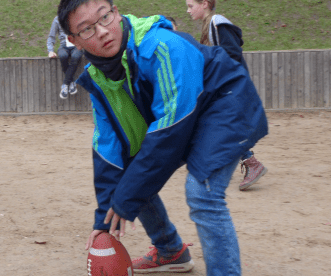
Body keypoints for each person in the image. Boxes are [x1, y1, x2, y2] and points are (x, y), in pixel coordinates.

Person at [57, 0, 268, 275]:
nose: (102, 32)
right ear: (75, 41)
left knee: (201, 193)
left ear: (117, 12)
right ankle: (171, 251)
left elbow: (172, 127)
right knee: (129, 178)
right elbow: (108, 147)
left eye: (105, 18)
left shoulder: (161, 45)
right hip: (183, 114)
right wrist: (105, 215)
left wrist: (127, 198)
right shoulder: (97, 78)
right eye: (87, 29)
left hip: (223, 101)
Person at [185, 0, 267, 191]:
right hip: (226, 87)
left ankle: (251, 163)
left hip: (232, 87)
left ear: (204, 3)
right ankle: (244, 162)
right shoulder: (210, 25)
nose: (187, 10)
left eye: (190, 5)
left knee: (218, 126)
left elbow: (232, 53)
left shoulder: (217, 22)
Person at [47, 15, 85, 99]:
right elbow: (51, 36)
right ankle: (71, 82)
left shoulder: (78, 16)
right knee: (62, 55)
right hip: (63, 45)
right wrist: (50, 50)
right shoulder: (57, 19)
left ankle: (65, 84)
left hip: (76, 45)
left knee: (75, 56)